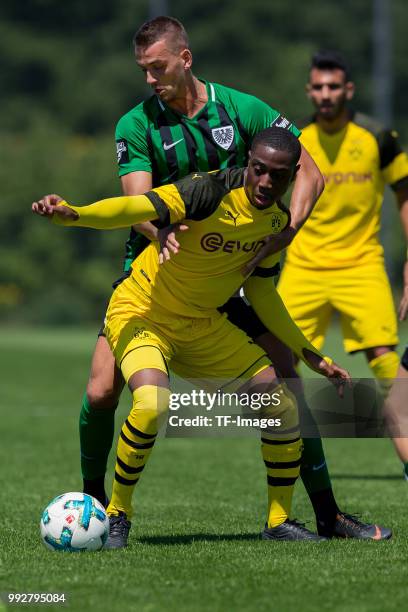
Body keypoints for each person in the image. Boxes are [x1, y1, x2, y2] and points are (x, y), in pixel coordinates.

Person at [77, 17, 389, 541]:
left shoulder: (242, 109)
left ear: (186, 58)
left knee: (285, 383)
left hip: (233, 277)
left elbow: (307, 169)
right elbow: (137, 200)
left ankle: (326, 514)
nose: (150, 78)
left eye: (158, 67)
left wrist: (287, 230)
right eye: (144, 70)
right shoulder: (136, 123)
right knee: (103, 390)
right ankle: (91, 504)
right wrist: (159, 231)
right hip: (159, 276)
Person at [33, 127, 351, 547]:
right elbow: (133, 207)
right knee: (151, 405)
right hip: (143, 311)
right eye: (259, 170)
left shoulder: (276, 221)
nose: (266, 182)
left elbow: (260, 290)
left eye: (278, 175)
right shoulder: (208, 191)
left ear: (293, 175)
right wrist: (76, 213)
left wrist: (308, 352)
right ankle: (117, 517)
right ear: (248, 164)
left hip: (202, 324)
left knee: (281, 404)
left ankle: (279, 521)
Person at [276, 50, 408, 470]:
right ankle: (291, 457)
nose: (326, 94)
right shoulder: (297, 142)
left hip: (362, 265)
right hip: (303, 266)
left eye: (334, 86)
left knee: (388, 362)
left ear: (348, 90)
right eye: (318, 87)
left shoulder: (378, 137)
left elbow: (406, 196)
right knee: (278, 362)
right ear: (309, 91)